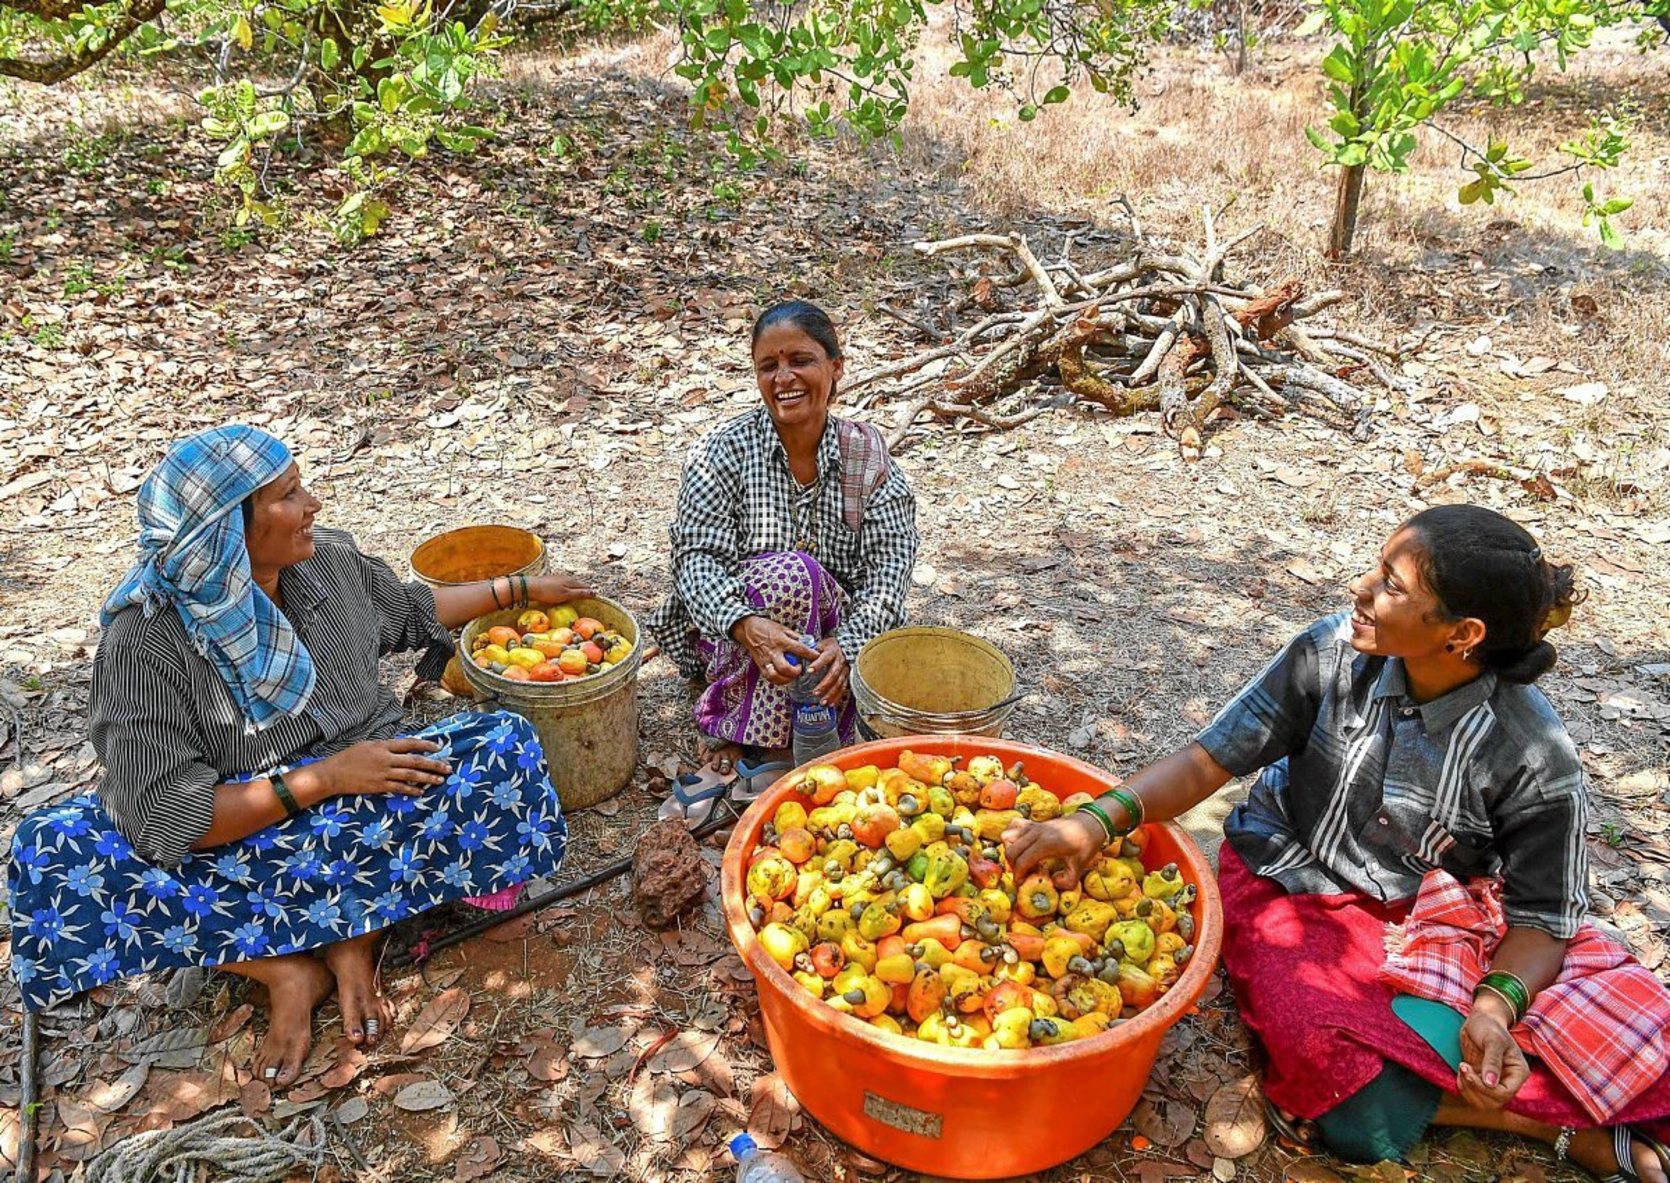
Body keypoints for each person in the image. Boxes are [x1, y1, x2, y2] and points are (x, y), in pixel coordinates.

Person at [1005, 505, 1670, 1182]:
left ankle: (1517, 1094)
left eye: (1391, 584)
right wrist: (1096, 819)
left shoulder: (1532, 753)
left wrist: (1495, 1006)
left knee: (1633, 1038)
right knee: (1348, 1088)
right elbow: (1213, 758)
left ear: (1463, 634)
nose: (1359, 587)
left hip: (1435, 917)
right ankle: (1548, 1124)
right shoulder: (1329, 653)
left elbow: (1543, 917)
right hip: (1292, 875)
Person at [7, 425, 593, 1086]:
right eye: (289, 495)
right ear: (226, 532)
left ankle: (353, 939)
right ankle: (286, 968)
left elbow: (407, 609)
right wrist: (322, 778)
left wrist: (519, 589)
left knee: (502, 747)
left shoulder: (326, 562)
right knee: (50, 850)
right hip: (246, 831)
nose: (312, 503)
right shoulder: (142, 643)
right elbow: (174, 816)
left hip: (371, 797)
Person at [648, 300, 919, 778]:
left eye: (800, 361)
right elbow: (695, 559)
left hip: (829, 639)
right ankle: (745, 728)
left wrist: (849, 644)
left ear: (835, 367)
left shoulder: (867, 456)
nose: (784, 379)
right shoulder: (722, 452)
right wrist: (744, 623)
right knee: (789, 575)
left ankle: (803, 727)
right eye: (768, 366)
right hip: (736, 636)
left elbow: (889, 573)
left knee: (805, 581)